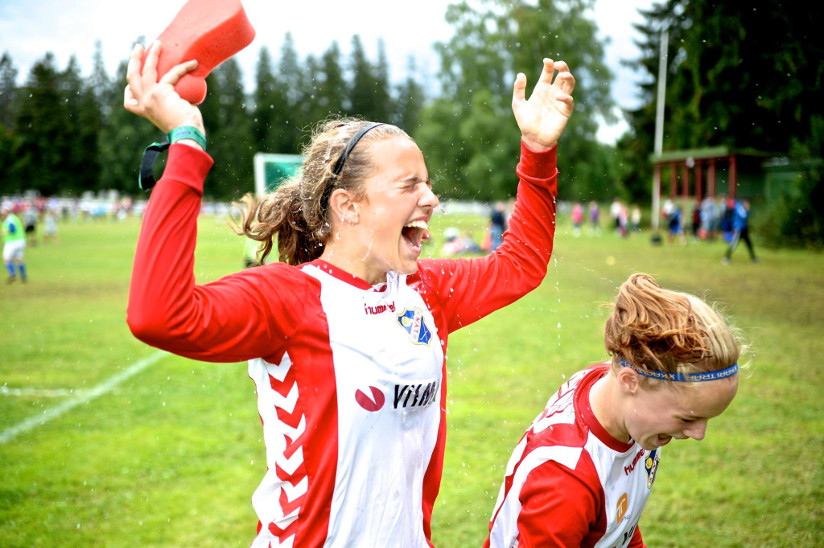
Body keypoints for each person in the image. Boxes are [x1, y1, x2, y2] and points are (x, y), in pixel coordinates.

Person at [124, 41, 575, 547]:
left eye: (427, 184)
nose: (431, 198)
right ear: (349, 207)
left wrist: (537, 152)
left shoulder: (428, 293)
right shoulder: (288, 299)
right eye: (409, 186)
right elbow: (158, 316)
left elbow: (520, 265)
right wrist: (186, 145)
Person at [485, 273, 743, 548]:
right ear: (630, 382)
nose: (699, 433)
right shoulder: (565, 483)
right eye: (687, 418)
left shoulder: (621, 402)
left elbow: (617, 522)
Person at [723, 198, 758, 264]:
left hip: (743, 229)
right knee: (733, 244)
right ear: (744, 202)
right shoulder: (739, 207)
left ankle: (753, 258)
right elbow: (744, 215)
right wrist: (747, 209)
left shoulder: (740, 206)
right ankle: (726, 257)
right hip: (738, 229)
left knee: (749, 244)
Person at [2, 204, 27, 283]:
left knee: (6, 259)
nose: (2, 212)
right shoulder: (15, 217)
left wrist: (4, 233)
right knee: (19, 259)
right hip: (21, 241)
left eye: (3, 210)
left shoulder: (9, 218)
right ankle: (23, 276)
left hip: (12, 242)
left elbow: (13, 229)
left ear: (7, 211)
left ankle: (13, 274)